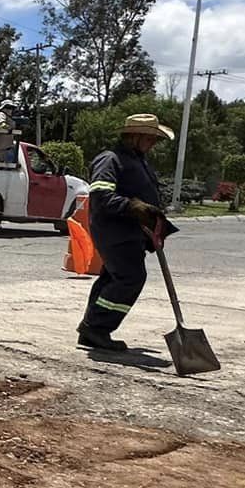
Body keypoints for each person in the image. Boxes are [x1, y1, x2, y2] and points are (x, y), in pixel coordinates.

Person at [77, 112, 180, 352]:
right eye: (149, 138)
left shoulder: (136, 159)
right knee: (130, 278)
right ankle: (97, 328)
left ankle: (92, 328)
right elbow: (101, 197)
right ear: (133, 136)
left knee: (113, 278)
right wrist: (132, 206)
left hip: (131, 233)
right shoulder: (110, 160)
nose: (153, 143)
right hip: (115, 232)